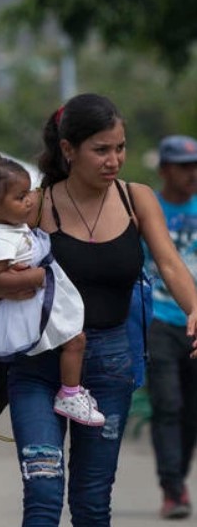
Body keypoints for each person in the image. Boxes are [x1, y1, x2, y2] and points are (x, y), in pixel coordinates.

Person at [0, 93, 197, 526]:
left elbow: (169, 263)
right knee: (44, 494)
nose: (114, 160)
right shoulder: (36, 204)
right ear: (68, 150)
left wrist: (195, 308)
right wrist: (19, 279)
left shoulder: (136, 199)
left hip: (109, 363)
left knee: (91, 501)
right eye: (101, 150)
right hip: (39, 366)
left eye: (120, 148)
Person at [0, 154, 104, 426]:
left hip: (31, 304)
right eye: (20, 197)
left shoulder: (7, 228)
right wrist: (37, 276)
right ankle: (70, 393)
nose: (29, 200)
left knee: (74, 340)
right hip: (27, 309)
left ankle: (70, 391)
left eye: (28, 192)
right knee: (75, 340)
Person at [145, 135, 197, 519]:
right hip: (159, 319)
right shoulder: (149, 209)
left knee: (191, 410)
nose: (191, 173)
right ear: (164, 170)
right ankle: (172, 489)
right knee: (167, 405)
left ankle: (177, 478)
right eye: (182, 166)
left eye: (194, 166)